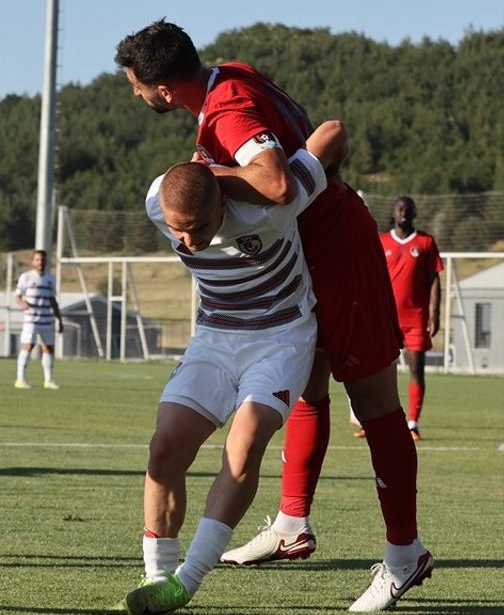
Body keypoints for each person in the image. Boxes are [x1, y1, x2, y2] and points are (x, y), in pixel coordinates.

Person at [114, 20, 432, 613]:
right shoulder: (229, 75)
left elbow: (277, 182)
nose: (134, 95)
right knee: (305, 390)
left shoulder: (227, 111)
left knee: (374, 404)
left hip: (337, 256)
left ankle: (403, 554)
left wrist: (214, 175)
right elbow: (315, 138)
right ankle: (292, 520)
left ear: (160, 89)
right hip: (301, 257)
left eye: (135, 86)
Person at [121, 121, 344, 614]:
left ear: (223, 204)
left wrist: (335, 181)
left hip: (280, 338)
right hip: (214, 338)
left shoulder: (272, 204)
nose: (188, 239)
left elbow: (331, 133)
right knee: (164, 449)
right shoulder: (159, 200)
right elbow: (181, 193)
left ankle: (188, 582)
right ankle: (156, 579)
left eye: (198, 227)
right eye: (178, 229)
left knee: (242, 445)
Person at [375, 196, 442, 440]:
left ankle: (412, 423)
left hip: (416, 318)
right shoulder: (381, 241)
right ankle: (373, 421)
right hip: (386, 318)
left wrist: (435, 313)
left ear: (414, 213)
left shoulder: (425, 242)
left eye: (408, 208)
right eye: (400, 208)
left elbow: (434, 279)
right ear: (393, 213)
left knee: (417, 371)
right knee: (378, 373)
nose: (403, 211)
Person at [13, 250, 63, 389]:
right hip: (31, 319)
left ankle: (48, 380)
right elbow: (17, 296)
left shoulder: (50, 279)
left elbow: (53, 300)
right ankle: (20, 379)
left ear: (46, 262)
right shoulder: (26, 277)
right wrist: (22, 302)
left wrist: (59, 319)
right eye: (37, 260)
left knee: (48, 348)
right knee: (29, 346)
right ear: (33, 261)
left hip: (46, 319)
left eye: (42, 260)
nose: (40, 262)